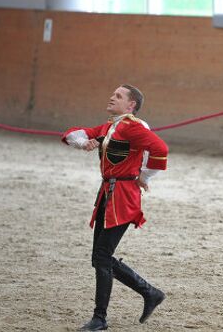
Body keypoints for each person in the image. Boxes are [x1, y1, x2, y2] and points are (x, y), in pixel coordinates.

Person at [62, 84, 169, 331]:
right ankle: (149, 292)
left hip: (123, 197)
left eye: (118, 96)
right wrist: (83, 143)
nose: (112, 97)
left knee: (101, 256)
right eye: (113, 94)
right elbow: (72, 133)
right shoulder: (109, 127)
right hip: (107, 195)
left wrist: (144, 175)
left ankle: (100, 318)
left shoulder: (133, 127)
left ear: (131, 105)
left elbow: (160, 149)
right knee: (99, 257)